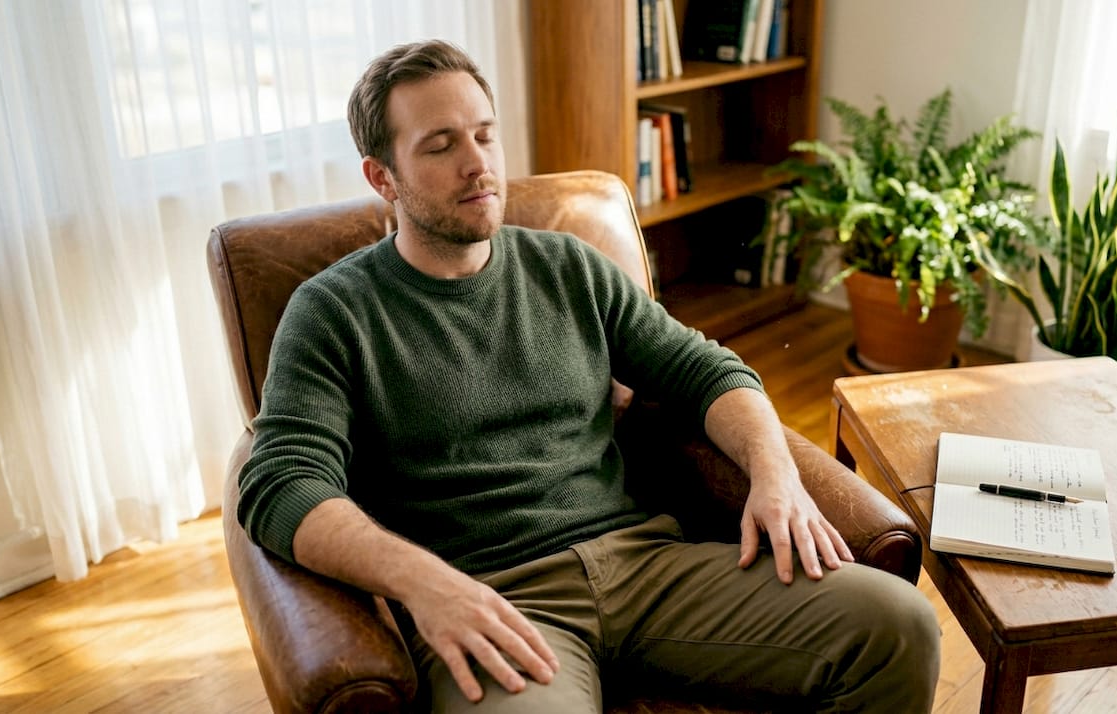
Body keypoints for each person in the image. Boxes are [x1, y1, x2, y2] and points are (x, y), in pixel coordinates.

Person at [237, 39, 940, 713]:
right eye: (440, 145)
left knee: (898, 624)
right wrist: (423, 585)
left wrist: (774, 474)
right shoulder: (332, 311)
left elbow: (706, 370)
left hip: (646, 567)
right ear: (381, 176)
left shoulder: (566, 266)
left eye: (485, 134)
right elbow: (281, 485)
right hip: (495, 603)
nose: (477, 164)